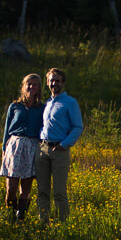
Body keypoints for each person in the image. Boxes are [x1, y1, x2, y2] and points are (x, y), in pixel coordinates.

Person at [36, 67, 83, 224]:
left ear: (63, 83)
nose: (54, 83)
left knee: (59, 192)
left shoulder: (70, 102)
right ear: (47, 83)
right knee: (42, 191)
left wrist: (65, 144)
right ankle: (43, 223)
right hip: (42, 148)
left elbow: (78, 127)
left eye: (57, 80)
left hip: (60, 150)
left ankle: (63, 224)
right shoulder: (48, 103)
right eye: (51, 80)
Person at [0, 72, 44, 221]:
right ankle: (10, 214)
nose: (31, 87)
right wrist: (4, 151)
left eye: (35, 84)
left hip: (32, 146)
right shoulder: (15, 106)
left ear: (38, 88)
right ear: (24, 86)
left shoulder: (41, 108)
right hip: (14, 146)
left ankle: (20, 218)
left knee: (25, 189)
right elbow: (7, 130)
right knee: (11, 188)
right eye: (29, 84)